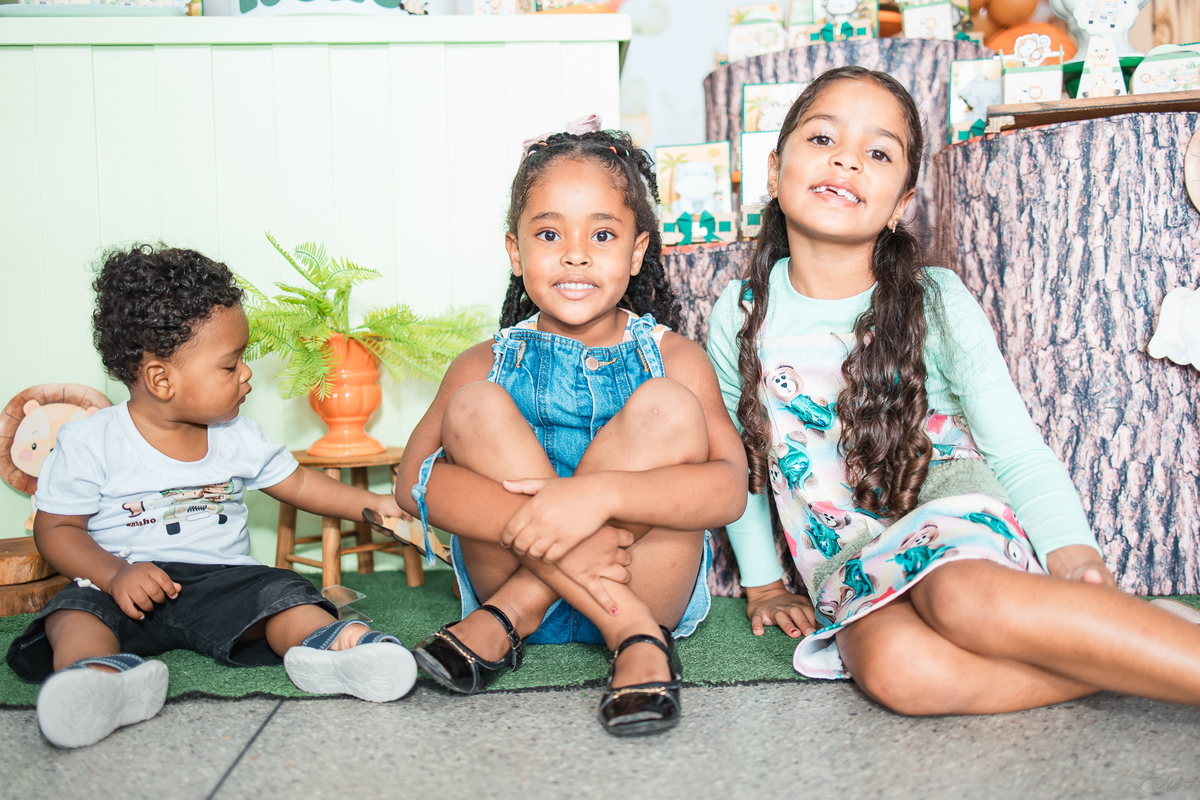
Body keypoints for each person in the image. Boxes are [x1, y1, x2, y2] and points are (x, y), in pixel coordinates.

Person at [705, 66, 1200, 714]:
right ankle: (1126, 643)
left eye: (878, 153)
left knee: (961, 600)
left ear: (901, 203)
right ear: (774, 172)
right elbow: (738, 457)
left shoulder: (934, 299)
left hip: (951, 514)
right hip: (846, 560)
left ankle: (1147, 645)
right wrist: (764, 584)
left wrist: (1073, 554)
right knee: (897, 672)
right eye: (823, 138)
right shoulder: (740, 314)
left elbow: (1015, 448)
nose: (846, 159)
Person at [395, 121, 747, 736]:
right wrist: (546, 522)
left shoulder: (677, 358)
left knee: (665, 405)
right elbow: (413, 483)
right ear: (515, 252)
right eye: (550, 233)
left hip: (641, 582)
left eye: (602, 235)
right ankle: (630, 632)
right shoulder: (481, 363)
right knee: (476, 406)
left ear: (636, 251)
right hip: (518, 568)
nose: (575, 254)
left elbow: (729, 490)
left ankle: (523, 609)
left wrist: (597, 497)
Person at [7, 245, 418, 749]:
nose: (246, 373)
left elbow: (299, 484)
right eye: (230, 365)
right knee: (72, 612)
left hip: (223, 584)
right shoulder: (91, 441)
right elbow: (56, 529)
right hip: (122, 582)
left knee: (283, 593)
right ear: (161, 379)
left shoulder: (237, 434)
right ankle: (96, 679)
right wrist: (114, 575)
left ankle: (339, 649)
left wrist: (373, 504)